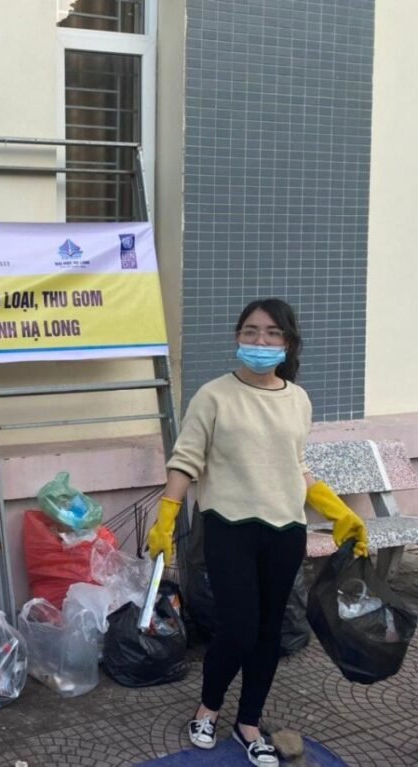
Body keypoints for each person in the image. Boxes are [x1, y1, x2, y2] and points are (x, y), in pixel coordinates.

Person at [146, 298, 368, 767]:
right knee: (238, 628)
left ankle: (248, 723)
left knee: (269, 631)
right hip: (229, 528)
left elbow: (297, 466)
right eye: (250, 331)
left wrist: (338, 512)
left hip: (285, 530)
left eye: (271, 333)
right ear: (237, 336)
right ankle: (207, 709)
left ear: (287, 342)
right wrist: (166, 515)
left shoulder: (298, 399)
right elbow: (186, 460)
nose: (260, 341)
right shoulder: (213, 396)